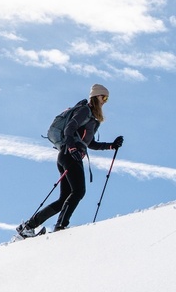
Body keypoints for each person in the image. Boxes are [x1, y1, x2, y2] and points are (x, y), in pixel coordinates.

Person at [16, 84, 123, 237]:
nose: (105, 101)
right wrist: (72, 148)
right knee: (78, 191)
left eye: (107, 98)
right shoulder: (85, 110)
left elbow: (90, 143)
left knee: (64, 199)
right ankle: (61, 226)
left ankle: (28, 226)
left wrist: (111, 145)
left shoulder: (93, 119)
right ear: (95, 97)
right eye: (103, 97)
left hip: (68, 155)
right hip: (69, 155)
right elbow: (69, 128)